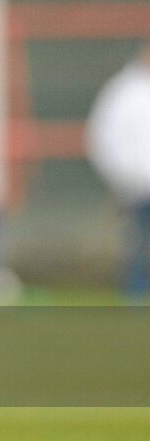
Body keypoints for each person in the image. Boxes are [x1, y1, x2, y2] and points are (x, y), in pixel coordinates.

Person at [87, 42, 150, 297]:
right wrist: (122, 175)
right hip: (136, 185)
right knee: (137, 241)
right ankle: (135, 293)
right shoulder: (122, 91)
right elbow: (102, 137)